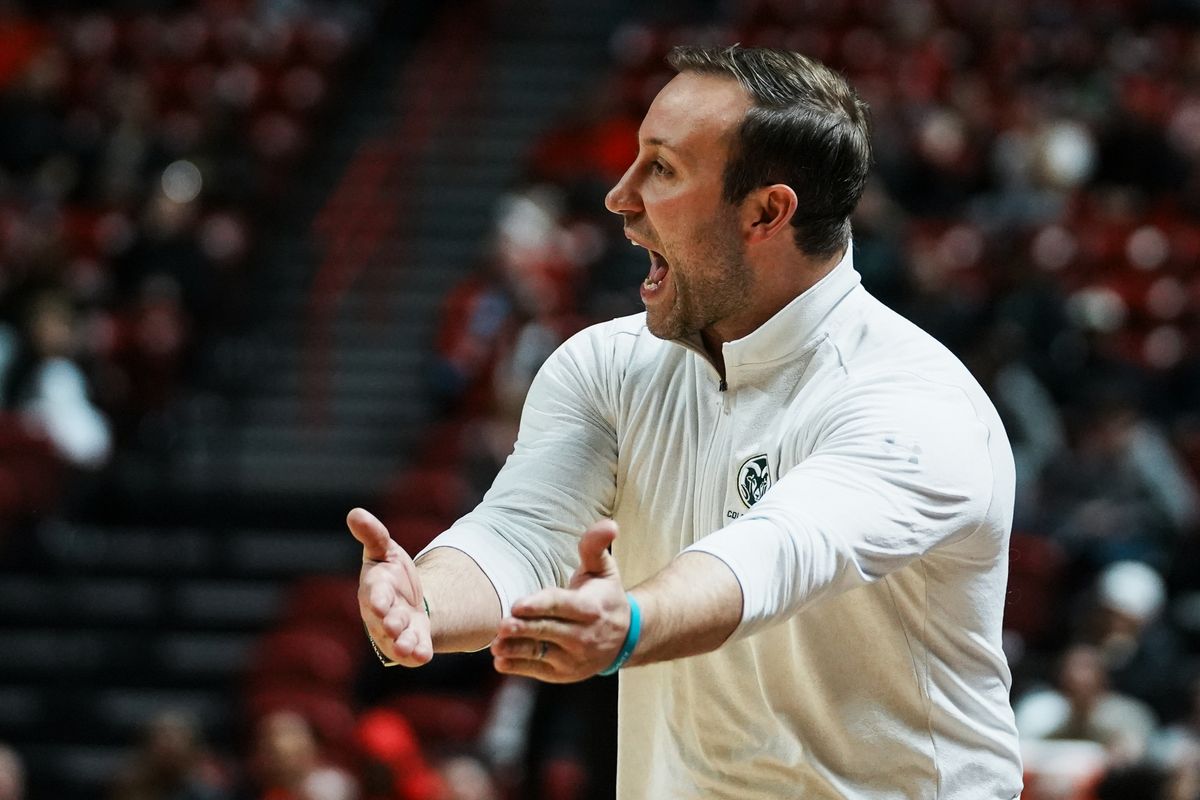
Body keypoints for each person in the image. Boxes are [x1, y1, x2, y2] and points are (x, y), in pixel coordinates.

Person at [349, 44, 1022, 798]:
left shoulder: (913, 401)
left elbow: (779, 555)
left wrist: (632, 624)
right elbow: (523, 533)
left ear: (766, 213)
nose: (619, 197)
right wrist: (424, 601)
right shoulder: (606, 366)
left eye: (662, 169)